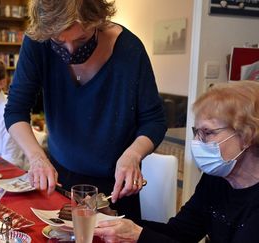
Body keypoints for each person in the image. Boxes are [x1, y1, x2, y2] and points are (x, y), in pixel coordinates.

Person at [4, 0, 166, 221]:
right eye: (59, 41)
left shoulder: (129, 50)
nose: (70, 51)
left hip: (114, 188)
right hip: (59, 182)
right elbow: (15, 109)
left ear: (98, 21)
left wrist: (133, 155)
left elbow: (154, 120)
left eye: (82, 39)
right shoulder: (38, 42)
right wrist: (36, 158)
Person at [94, 80, 259, 243]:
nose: (197, 141)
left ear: (247, 136)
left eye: (207, 132)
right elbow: (179, 233)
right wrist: (115, 221)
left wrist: (139, 236)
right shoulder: (216, 179)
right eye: (197, 132)